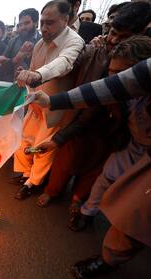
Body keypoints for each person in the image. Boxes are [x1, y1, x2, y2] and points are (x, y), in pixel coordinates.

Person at [32, 56, 151, 279]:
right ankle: (87, 213)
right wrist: (51, 101)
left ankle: (108, 260)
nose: (112, 78)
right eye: (111, 72)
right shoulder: (132, 81)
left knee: (136, 213)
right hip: (135, 145)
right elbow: (101, 91)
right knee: (107, 176)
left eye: (120, 73)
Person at [35, 2, 151, 210]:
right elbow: (73, 67)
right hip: (79, 114)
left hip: (114, 126)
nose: (113, 40)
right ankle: (53, 191)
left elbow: (104, 95)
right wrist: (44, 86)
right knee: (65, 159)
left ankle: (79, 202)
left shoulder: (142, 63)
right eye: (112, 32)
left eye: (122, 37)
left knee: (98, 168)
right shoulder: (94, 47)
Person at [12, 0, 84, 200]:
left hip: (55, 108)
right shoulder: (38, 44)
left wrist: (36, 75)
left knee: (42, 148)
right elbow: (32, 70)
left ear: (66, 19)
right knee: (24, 140)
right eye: (42, 22)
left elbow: (63, 64)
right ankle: (26, 173)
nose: (44, 28)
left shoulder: (75, 41)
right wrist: (29, 86)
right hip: (35, 103)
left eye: (50, 23)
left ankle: (33, 182)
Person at [0, 8, 41, 82]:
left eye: (26, 23)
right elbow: (4, 65)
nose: (22, 27)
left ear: (36, 23)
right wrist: (16, 59)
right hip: (14, 84)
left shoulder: (42, 42)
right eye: (20, 24)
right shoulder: (13, 41)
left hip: (35, 86)